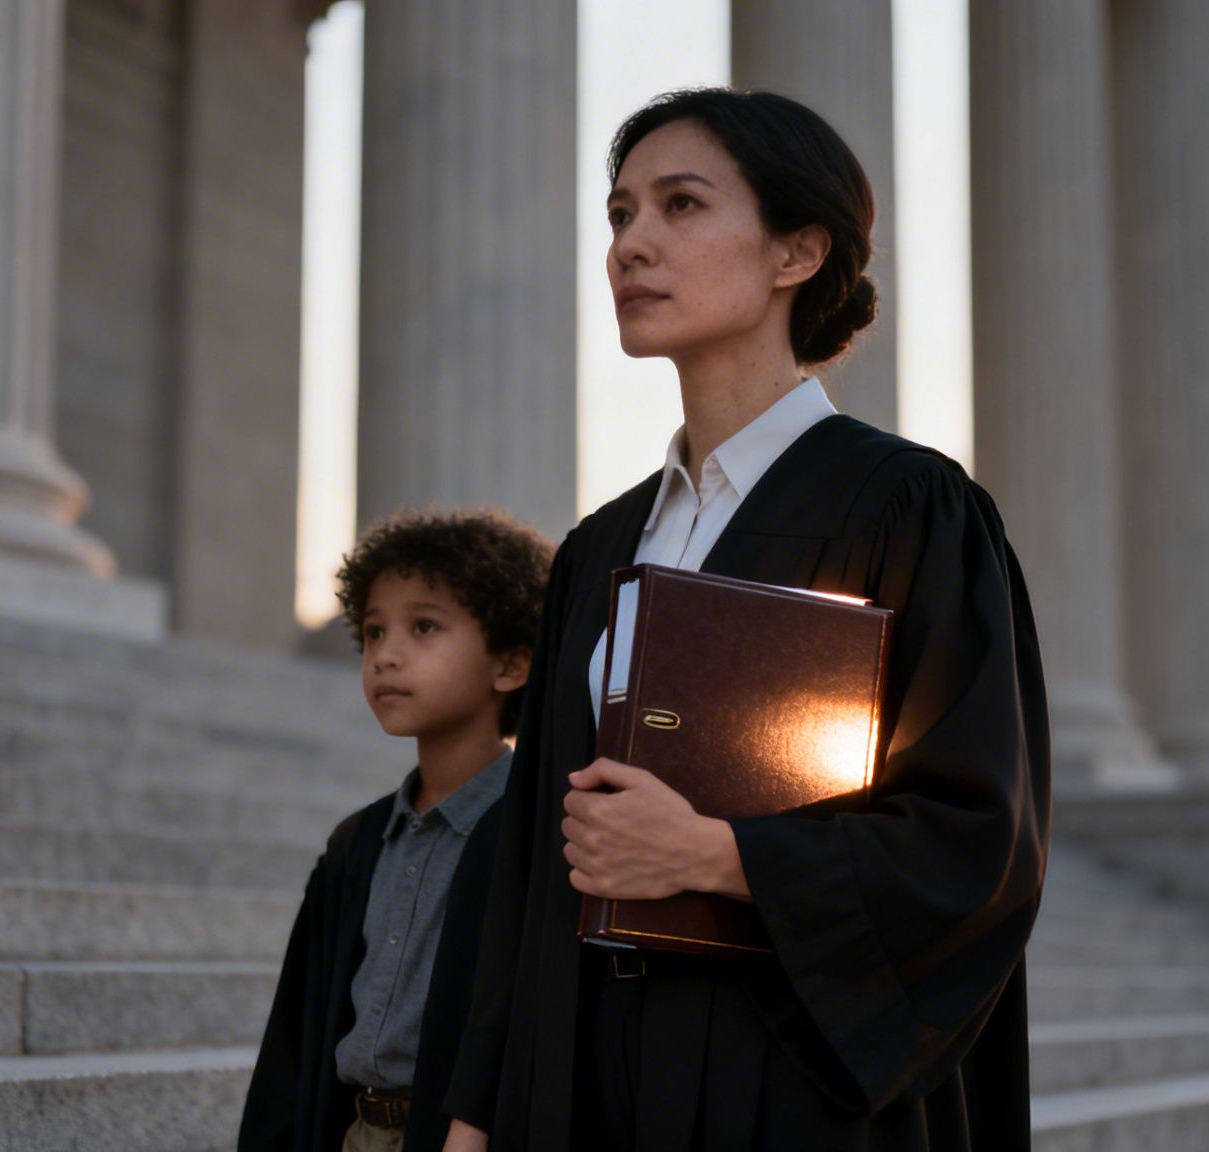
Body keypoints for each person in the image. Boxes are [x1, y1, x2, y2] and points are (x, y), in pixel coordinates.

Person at [441, 89, 1051, 1151]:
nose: (630, 244)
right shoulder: (601, 545)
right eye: (619, 213)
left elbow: (974, 837)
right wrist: (474, 1113)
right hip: (583, 1073)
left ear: (796, 252)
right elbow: (532, 855)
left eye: (680, 206)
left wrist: (717, 855)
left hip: (788, 1080)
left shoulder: (905, 509)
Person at [240, 508, 555, 1152]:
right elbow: (296, 1034)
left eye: (424, 627)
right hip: (356, 1132)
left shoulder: (538, 835)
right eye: (375, 631)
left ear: (511, 665)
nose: (386, 655)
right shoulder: (356, 843)